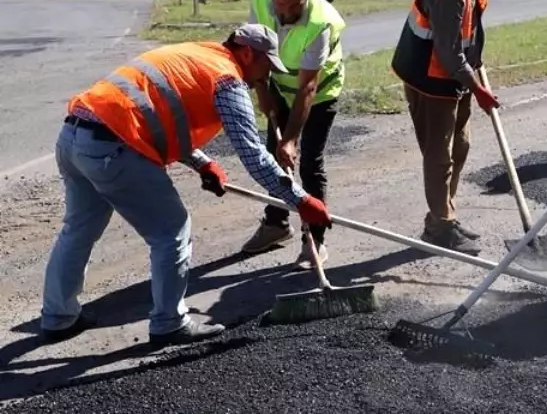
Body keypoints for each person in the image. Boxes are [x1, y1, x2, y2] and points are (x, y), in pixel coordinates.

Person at [41, 24, 333, 345]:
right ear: (248, 53)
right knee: (171, 232)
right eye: (266, 65)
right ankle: (169, 322)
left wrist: (203, 163)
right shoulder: (228, 79)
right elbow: (252, 154)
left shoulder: (200, 55)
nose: (264, 78)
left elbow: (163, 117)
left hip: (74, 136)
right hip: (115, 146)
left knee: (78, 229)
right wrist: (300, 199)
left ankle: (58, 316)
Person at [391, 0, 498, 255]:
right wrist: (478, 89)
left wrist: (475, 66)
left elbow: (466, 32)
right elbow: (449, 54)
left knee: (461, 145)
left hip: (456, 72)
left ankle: (443, 214)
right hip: (431, 76)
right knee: (439, 155)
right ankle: (441, 225)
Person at [241, 0, 346, 269]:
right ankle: (276, 225)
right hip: (279, 84)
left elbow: (308, 87)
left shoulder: (320, 22)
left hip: (319, 92)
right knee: (274, 157)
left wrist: (291, 140)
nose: (286, 13)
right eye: (280, 5)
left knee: (310, 162)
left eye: (294, 6)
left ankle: (315, 240)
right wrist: (261, 88)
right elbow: (255, 45)